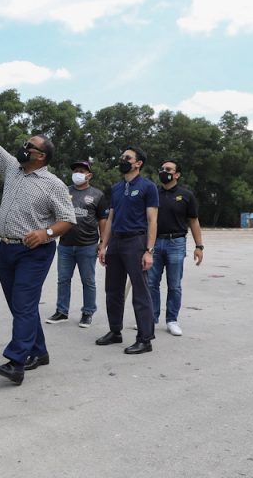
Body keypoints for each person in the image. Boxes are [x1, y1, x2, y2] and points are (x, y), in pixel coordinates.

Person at [0, 93, 76, 385]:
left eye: (29, 146)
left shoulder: (53, 184)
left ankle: (16, 362)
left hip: (35, 252)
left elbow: (68, 219)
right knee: (20, 305)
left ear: (40, 156)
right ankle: (39, 352)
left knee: (23, 303)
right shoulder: (13, 170)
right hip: (6, 249)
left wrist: (46, 233)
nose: (23, 147)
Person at [96, 146, 158, 354]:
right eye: (122, 156)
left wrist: (149, 250)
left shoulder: (148, 187)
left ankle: (145, 339)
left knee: (140, 292)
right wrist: (103, 246)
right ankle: (115, 332)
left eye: (127, 157)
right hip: (116, 243)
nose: (122, 160)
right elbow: (111, 219)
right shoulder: (116, 188)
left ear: (138, 163)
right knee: (113, 290)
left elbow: (152, 220)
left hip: (136, 242)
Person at [46, 160, 109, 328]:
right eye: (75, 170)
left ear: (89, 175)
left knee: (88, 280)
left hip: (87, 245)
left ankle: (88, 312)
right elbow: (54, 214)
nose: (77, 173)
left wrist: (103, 243)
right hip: (65, 244)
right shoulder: (64, 191)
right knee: (63, 279)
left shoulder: (97, 195)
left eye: (81, 170)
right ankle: (62, 311)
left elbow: (103, 220)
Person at [147, 159, 205, 336]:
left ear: (177, 174)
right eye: (162, 168)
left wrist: (199, 246)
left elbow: (194, 221)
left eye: (168, 169)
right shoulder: (153, 193)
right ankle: (151, 317)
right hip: (154, 243)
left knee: (174, 285)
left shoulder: (186, 195)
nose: (164, 171)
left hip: (176, 243)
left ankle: (172, 320)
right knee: (151, 283)